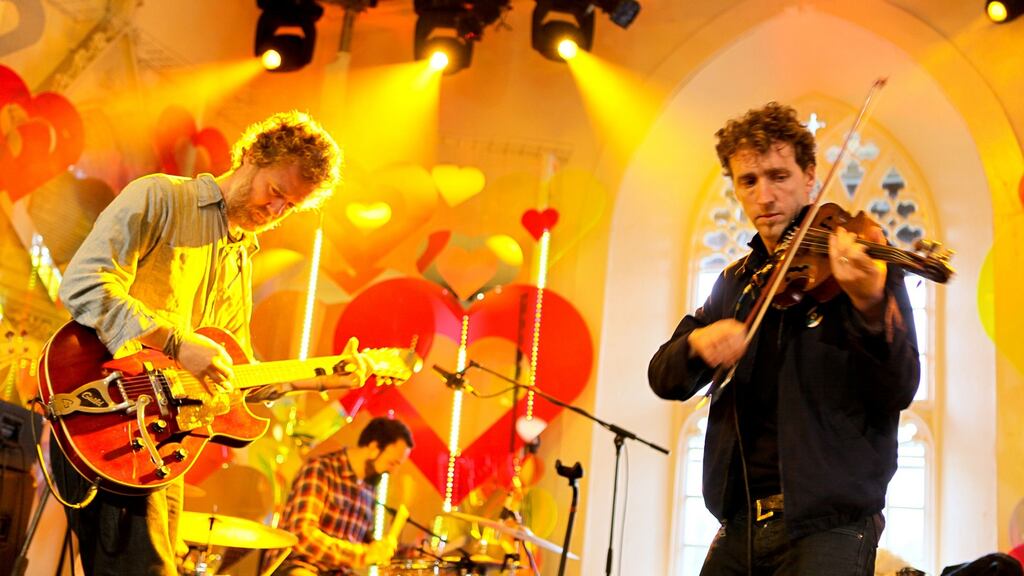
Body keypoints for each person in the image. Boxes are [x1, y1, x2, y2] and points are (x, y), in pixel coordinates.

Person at [51, 110, 343, 575]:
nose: (275, 212)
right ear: (252, 155)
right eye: (276, 193)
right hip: (105, 416)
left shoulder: (242, 256)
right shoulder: (161, 196)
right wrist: (175, 341)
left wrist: (307, 380)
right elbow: (84, 285)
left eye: (290, 207)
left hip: (163, 443)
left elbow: (228, 373)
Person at [648, 102, 920, 575]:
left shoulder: (861, 267)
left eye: (779, 176)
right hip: (739, 522)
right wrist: (698, 345)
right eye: (748, 181)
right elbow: (663, 376)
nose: (764, 196)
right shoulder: (736, 282)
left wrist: (871, 305)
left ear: (810, 177)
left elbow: (900, 386)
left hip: (829, 525)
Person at [273, 416, 414, 576]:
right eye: (392, 462)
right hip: (299, 566)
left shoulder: (369, 489)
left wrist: (407, 552)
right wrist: (362, 555)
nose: (394, 472)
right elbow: (302, 535)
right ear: (374, 447)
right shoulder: (320, 470)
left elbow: (364, 543)